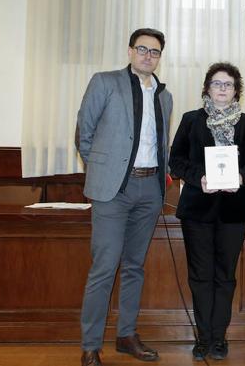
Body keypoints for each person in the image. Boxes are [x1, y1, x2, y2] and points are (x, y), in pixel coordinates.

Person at [76, 28, 173, 366]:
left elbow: (162, 144)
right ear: (130, 51)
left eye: (155, 51)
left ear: (160, 57)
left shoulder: (164, 95)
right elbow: (83, 134)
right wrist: (104, 171)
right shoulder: (104, 82)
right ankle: (90, 344)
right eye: (142, 49)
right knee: (104, 267)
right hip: (112, 191)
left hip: (150, 189)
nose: (148, 56)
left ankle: (126, 335)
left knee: (135, 266)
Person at [169, 62, 245, 361]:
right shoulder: (191, 120)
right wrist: (200, 179)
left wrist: (240, 177)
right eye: (217, 83)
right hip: (197, 209)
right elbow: (176, 161)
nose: (222, 89)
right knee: (200, 275)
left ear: (237, 91)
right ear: (207, 87)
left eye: (229, 84)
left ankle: (219, 338)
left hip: (233, 212)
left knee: (225, 276)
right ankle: (203, 337)